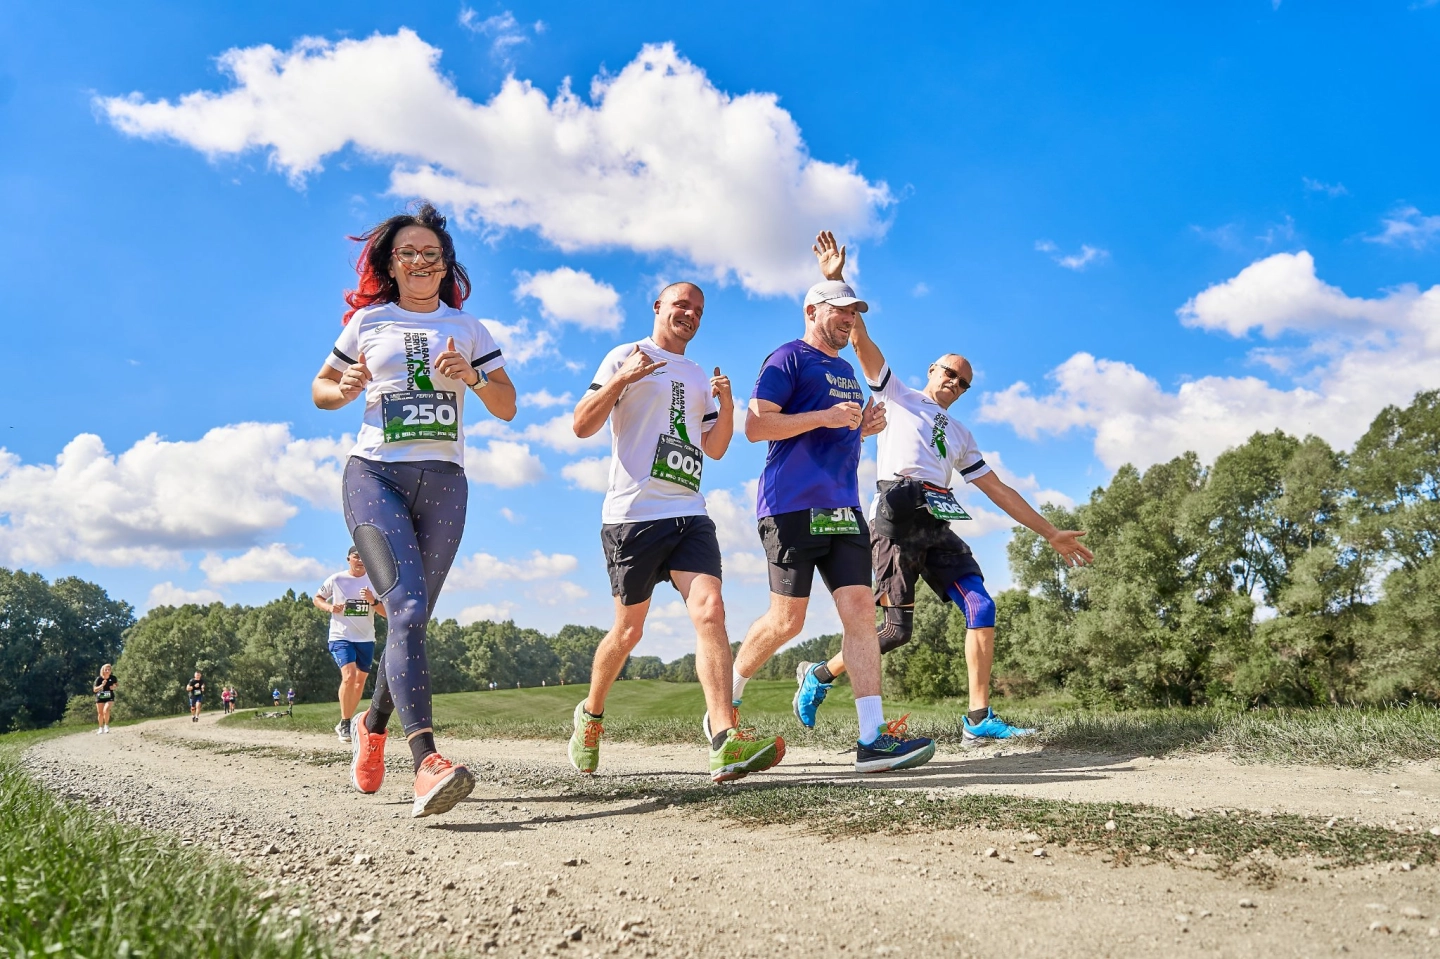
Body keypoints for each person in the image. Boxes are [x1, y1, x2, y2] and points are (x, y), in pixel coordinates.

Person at [791, 233, 1095, 743]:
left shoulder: (961, 434)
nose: (955, 382)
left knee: (982, 607)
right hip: (894, 515)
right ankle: (819, 675)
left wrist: (1050, 533)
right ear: (933, 369)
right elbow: (859, 340)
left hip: (936, 520)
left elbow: (998, 489)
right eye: (950, 372)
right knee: (895, 632)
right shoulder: (898, 394)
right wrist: (835, 280)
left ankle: (978, 719)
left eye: (964, 382)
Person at [312, 201, 516, 818]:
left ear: (445, 264)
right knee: (403, 606)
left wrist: (473, 378)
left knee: (412, 618)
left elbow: (507, 405)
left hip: (445, 482)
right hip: (375, 475)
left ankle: (372, 728)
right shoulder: (369, 322)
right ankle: (426, 760)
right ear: (392, 264)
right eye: (409, 253)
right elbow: (321, 389)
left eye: (432, 253)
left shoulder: (470, 328)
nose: (421, 261)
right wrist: (343, 388)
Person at [729, 249, 936, 774]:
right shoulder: (787, 359)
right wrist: (824, 416)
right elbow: (755, 426)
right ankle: (725, 699)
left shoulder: (845, 369)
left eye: (854, 313)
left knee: (862, 613)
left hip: (844, 508)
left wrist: (862, 428)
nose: (848, 320)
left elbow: (836, 432)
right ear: (812, 311)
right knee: (787, 621)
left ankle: (872, 739)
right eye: (840, 311)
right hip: (790, 506)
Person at [569, 282, 784, 783]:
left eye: (698, 310)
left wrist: (727, 406)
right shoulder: (624, 354)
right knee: (629, 631)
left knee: (711, 610)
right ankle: (591, 715)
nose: (690, 314)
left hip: (688, 511)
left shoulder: (696, 374)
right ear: (658, 307)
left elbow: (715, 448)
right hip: (632, 516)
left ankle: (724, 738)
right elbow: (581, 424)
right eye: (681, 304)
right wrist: (622, 378)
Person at [315, 545, 386, 742]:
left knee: (359, 682)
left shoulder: (375, 582)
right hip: (341, 636)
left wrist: (372, 601)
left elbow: (386, 613)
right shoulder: (336, 579)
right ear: (349, 559)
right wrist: (329, 607)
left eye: (363, 557)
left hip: (365, 638)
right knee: (349, 676)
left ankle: (345, 721)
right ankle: (345, 722)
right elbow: (317, 598)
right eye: (356, 556)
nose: (360, 560)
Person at [93, 664, 117, 734]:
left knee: (106, 710)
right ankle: (100, 728)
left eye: (109, 669)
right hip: (100, 696)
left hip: (109, 696)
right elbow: (94, 690)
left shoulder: (113, 678)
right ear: (103, 670)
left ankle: (106, 725)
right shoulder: (99, 679)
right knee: (100, 713)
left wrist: (114, 686)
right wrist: (102, 685)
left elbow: (116, 684)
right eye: (106, 669)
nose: (107, 671)